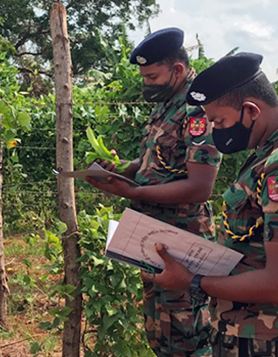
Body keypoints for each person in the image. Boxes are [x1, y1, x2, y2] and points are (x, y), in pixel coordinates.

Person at [151, 52, 278, 357]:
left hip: (276, 340)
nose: (217, 130)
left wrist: (193, 282)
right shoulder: (273, 151)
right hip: (256, 335)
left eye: (220, 121)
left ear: (251, 110)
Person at [87, 27, 222, 357]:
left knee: (188, 335)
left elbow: (200, 186)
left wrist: (133, 192)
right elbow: (156, 160)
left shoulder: (197, 110)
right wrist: (124, 171)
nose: (147, 83)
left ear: (177, 70)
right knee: (161, 332)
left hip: (183, 236)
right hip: (155, 235)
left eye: (152, 75)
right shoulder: (167, 104)